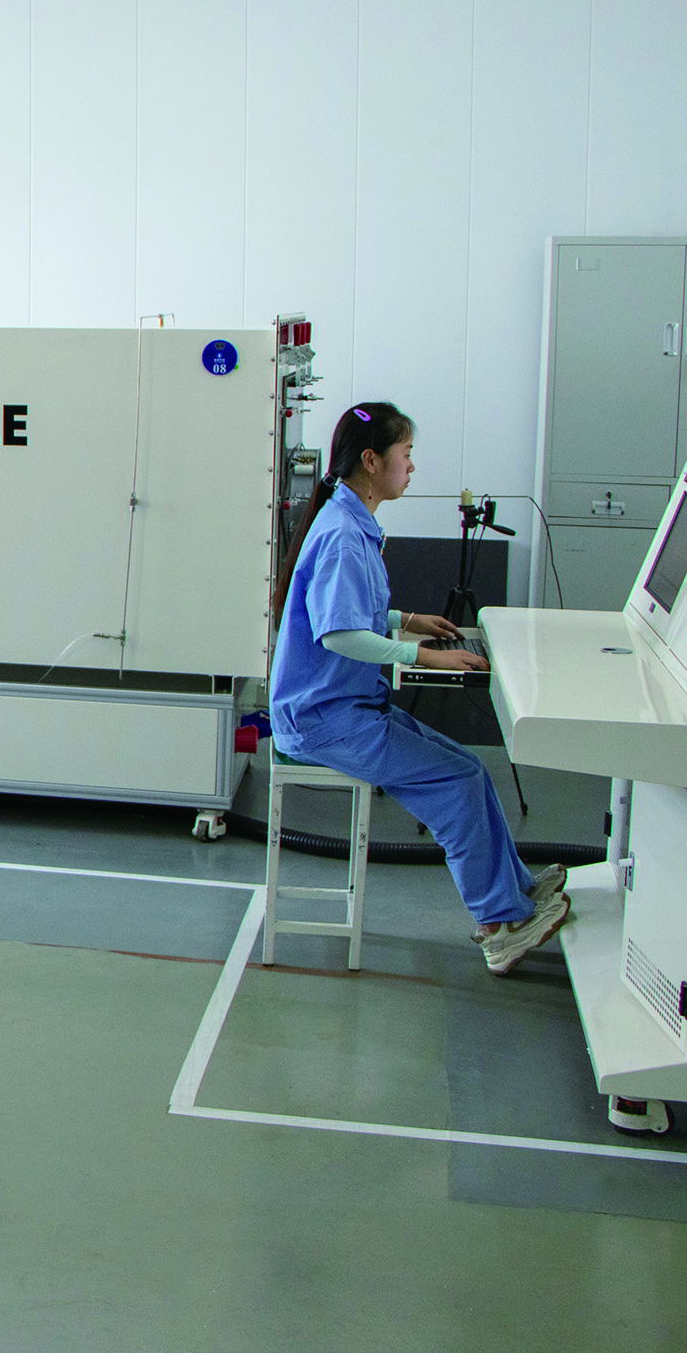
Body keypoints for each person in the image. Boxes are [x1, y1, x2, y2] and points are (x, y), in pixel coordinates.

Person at [268, 402, 568, 975]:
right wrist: (421, 653)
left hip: (345, 707)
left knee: (468, 766)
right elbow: (338, 634)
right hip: (322, 722)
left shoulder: (348, 518)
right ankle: (499, 925)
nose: (411, 467)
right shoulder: (342, 534)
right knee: (456, 783)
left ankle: (517, 890)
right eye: (405, 454)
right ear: (371, 460)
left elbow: (346, 610)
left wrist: (405, 620)